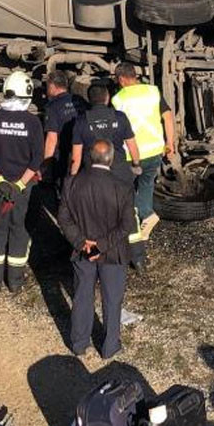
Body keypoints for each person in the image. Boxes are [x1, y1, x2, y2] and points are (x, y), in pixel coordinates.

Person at [59, 139, 137, 359]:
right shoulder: (122, 187)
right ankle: (110, 346)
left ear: (89, 157)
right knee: (112, 299)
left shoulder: (71, 183)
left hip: (82, 251)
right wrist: (101, 245)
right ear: (110, 159)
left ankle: (79, 343)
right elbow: (126, 225)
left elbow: (64, 218)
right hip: (113, 252)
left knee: (82, 296)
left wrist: (81, 242)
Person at [0, 71, 44, 292]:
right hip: (23, 189)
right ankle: (16, 281)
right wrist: (20, 184)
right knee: (20, 230)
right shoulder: (33, 122)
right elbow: (37, 159)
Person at [112, 64, 176, 271]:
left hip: (132, 156)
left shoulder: (118, 99)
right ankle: (147, 214)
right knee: (146, 185)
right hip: (155, 151)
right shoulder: (153, 91)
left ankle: (140, 222)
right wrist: (170, 143)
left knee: (126, 194)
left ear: (121, 79)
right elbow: (168, 116)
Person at [70, 83, 141, 185]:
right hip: (119, 172)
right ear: (107, 97)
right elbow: (132, 145)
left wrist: (72, 179)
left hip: (93, 174)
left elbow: (76, 157)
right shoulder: (120, 117)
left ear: (89, 100)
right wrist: (136, 164)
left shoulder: (81, 122)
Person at [41, 70, 86, 183]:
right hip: (84, 153)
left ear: (52, 86)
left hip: (64, 157)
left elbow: (52, 139)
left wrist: (46, 167)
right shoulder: (79, 100)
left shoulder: (52, 107)